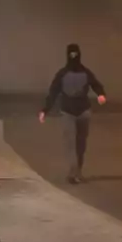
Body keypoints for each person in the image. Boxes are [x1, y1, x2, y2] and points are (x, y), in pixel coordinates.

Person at [38, 43, 106, 184]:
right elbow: (53, 92)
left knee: (80, 144)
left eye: (76, 54)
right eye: (72, 55)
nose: (74, 57)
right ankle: (73, 171)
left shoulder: (86, 73)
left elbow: (96, 84)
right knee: (70, 143)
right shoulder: (62, 74)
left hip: (83, 112)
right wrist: (45, 110)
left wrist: (101, 94)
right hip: (67, 112)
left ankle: (77, 171)